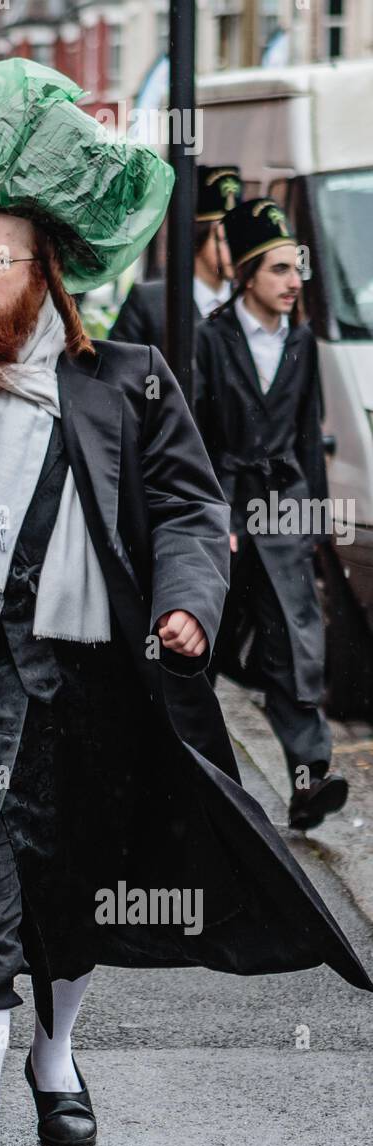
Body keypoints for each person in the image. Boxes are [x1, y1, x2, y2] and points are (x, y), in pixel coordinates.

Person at [0, 60, 371, 1146]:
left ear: (45, 274)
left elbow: (187, 508)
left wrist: (183, 602)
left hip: (86, 688)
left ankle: (57, 1054)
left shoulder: (124, 382)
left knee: (71, 909)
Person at [195, 198, 348, 830]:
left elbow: (309, 433)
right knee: (206, 643)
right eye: (281, 269)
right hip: (225, 508)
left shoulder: (304, 341)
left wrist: (311, 521)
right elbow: (197, 434)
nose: (294, 282)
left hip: (282, 511)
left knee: (293, 642)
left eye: (297, 270)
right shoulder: (211, 338)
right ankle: (193, 778)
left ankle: (309, 780)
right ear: (249, 274)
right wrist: (211, 518)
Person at [108, 165, 240, 349]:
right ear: (197, 237)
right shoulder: (149, 302)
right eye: (226, 238)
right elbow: (118, 368)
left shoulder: (246, 303)